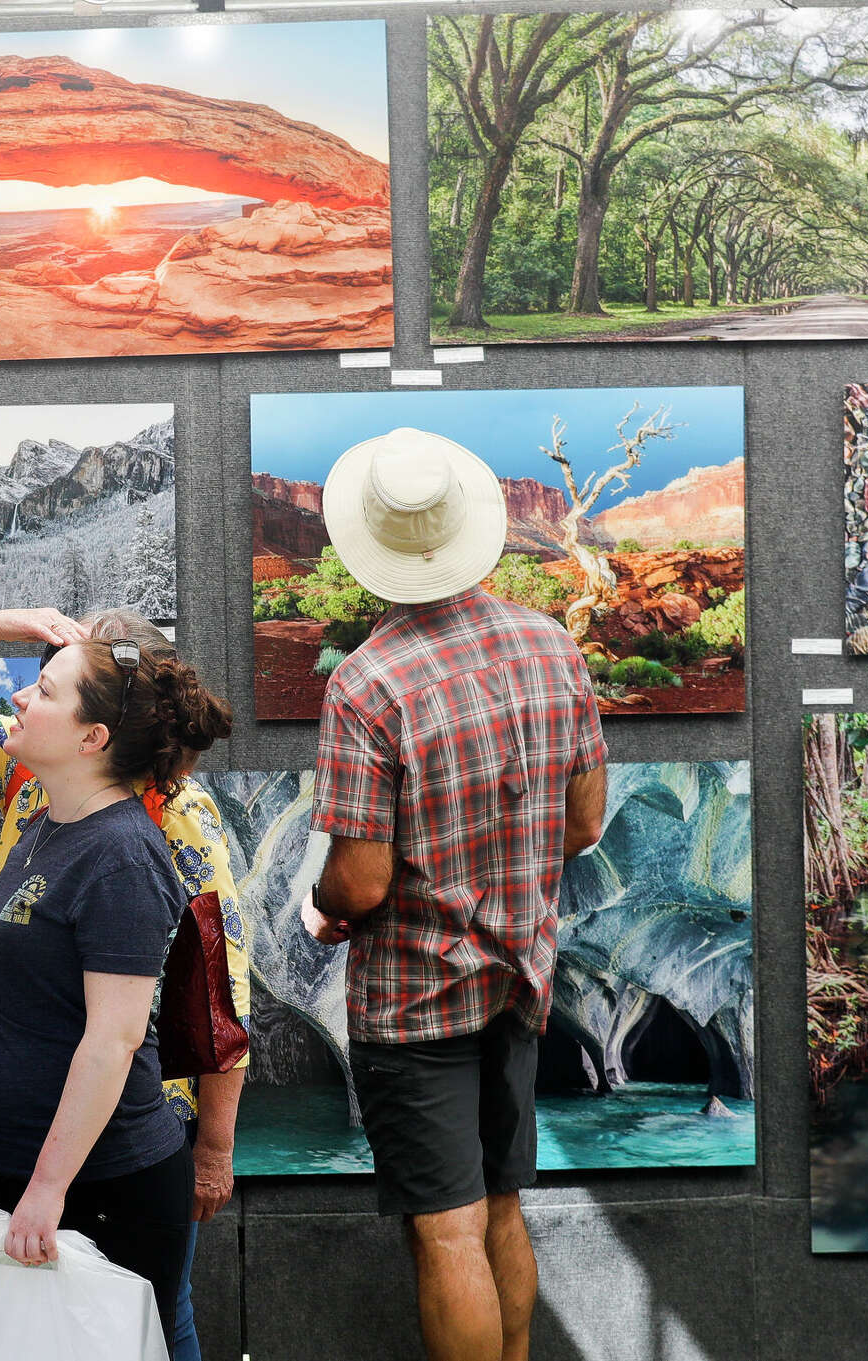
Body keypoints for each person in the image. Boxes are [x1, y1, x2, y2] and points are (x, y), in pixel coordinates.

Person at [298, 428, 608, 1361]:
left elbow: (360, 879)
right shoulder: (552, 645)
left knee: (446, 1230)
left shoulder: (366, 683)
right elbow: (586, 823)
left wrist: (323, 904)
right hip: (519, 981)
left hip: (414, 999)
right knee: (503, 1205)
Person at [0, 608, 245, 1352]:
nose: (18, 697)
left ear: (96, 734)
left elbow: (212, 998)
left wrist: (215, 1146)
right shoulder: (39, 800)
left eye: (45, 683)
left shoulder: (155, 836)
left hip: (110, 1158)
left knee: (146, 1330)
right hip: (6, 1149)